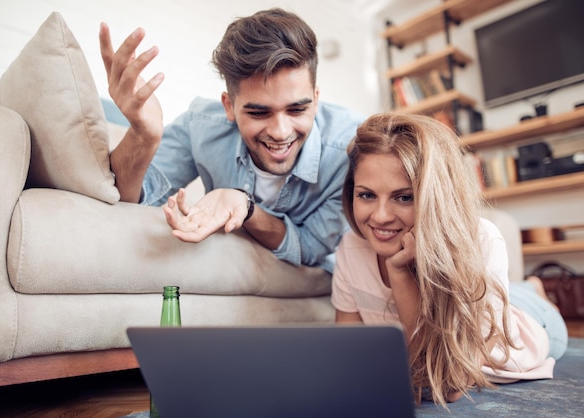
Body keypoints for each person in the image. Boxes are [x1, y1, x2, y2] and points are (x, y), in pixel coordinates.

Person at [99, 8, 364, 272]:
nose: (281, 131)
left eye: (297, 109)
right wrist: (142, 136)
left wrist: (245, 206)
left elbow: (309, 248)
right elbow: (127, 202)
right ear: (229, 106)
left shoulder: (350, 150)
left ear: (316, 100)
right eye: (259, 112)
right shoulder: (200, 125)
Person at [331, 113, 568, 407]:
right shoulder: (351, 247)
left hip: (536, 329)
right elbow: (348, 355)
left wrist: (400, 272)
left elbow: (449, 383)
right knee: (507, 294)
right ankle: (524, 288)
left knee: (527, 306)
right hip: (487, 303)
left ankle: (536, 292)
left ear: (435, 196)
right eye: (366, 195)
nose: (380, 216)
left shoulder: (481, 240)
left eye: (404, 197)